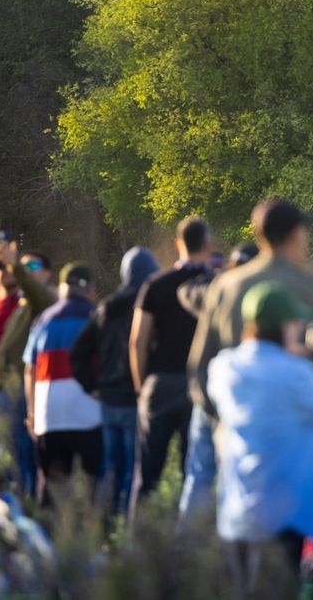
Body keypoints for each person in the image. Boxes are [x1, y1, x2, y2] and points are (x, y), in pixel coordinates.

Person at [182, 200, 313, 524]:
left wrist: (220, 418)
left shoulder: (226, 285)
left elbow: (199, 365)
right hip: (291, 429)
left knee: (233, 516)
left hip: (235, 422)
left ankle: (189, 554)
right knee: (287, 524)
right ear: (295, 235)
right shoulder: (307, 286)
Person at [207, 282, 313, 595]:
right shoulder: (295, 373)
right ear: (284, 326)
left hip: (239, 507)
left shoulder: (223, 367)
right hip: (286, 510)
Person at [128, 217, 213, 513]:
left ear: (178, 244)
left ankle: (139, 534)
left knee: (147, 473)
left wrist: (141, 386)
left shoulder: (156, 284)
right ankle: (192, 535)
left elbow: (137, 341)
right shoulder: (216, 286)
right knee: (196, 474)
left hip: (160, 383)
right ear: (208, 245)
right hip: (199, 386)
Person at [69, 247, 159, 515]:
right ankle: (128, 527)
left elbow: (78, 352)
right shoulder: (149, 307)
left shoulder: (105, 308)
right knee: (134, 467)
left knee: (110, 466)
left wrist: (92, 386)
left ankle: (103, 523)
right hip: (134, 398)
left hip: (108, 400)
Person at [22, 262, 103, 504]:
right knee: (94, 487)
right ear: (91, 288)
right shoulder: (97, 316)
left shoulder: (43, 320)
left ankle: (46, 527)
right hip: (90, 414)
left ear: (62, 288)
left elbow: (30, 370)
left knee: (51, 491)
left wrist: (32, 413)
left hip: (49, 416)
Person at [0, 243, 55, 497]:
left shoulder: (44, 301)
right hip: (6, 390)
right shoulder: (23, 305)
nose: (27, 269)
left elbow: (35, 290)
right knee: (8, 452)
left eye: (33, 266)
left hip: (23, 390)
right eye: (24, 265)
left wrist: (13, 263)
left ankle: (26, 503)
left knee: (23, 454)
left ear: (47, 273)